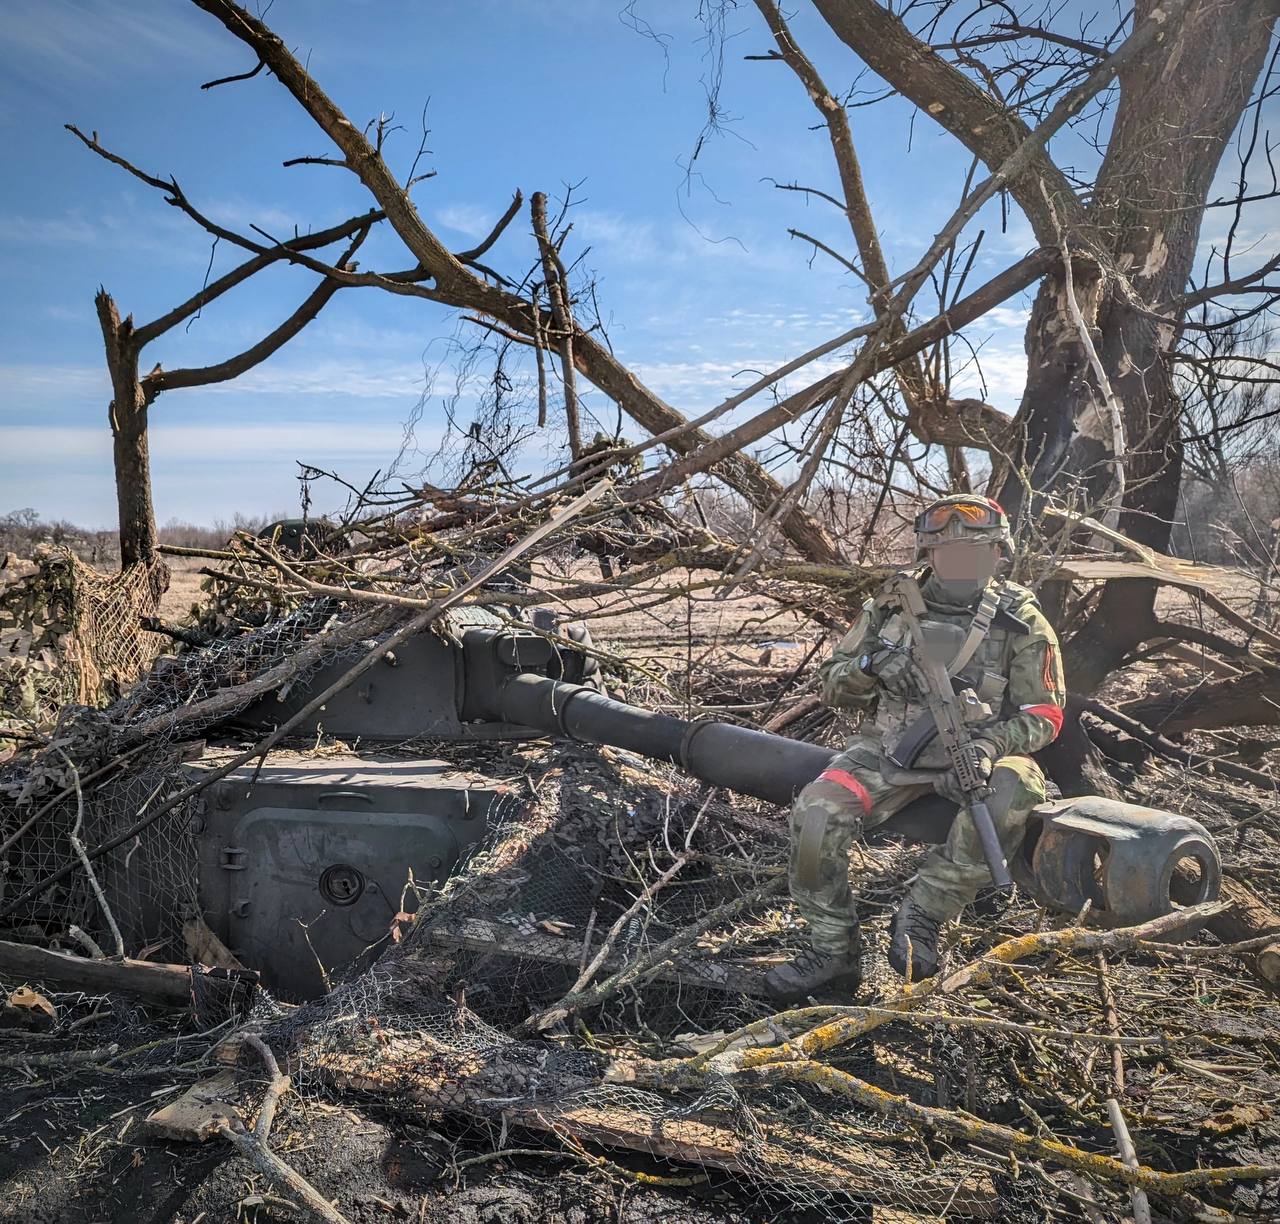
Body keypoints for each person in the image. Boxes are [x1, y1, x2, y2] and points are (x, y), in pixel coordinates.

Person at [765, 494, 1066, 1001]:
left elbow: (1045, 713)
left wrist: (990, 746)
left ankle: (923, 914)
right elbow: (831, 683)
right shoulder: (888, 608)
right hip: (886, 753)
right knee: (817, 814)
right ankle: (832, 950)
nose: (962, 565)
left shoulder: (1020, 617)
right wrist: (869, 668)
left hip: (977, 753)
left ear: (998, 554)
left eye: (975, 554)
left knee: (1012, 793)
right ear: (929, 554)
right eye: (949, 555)